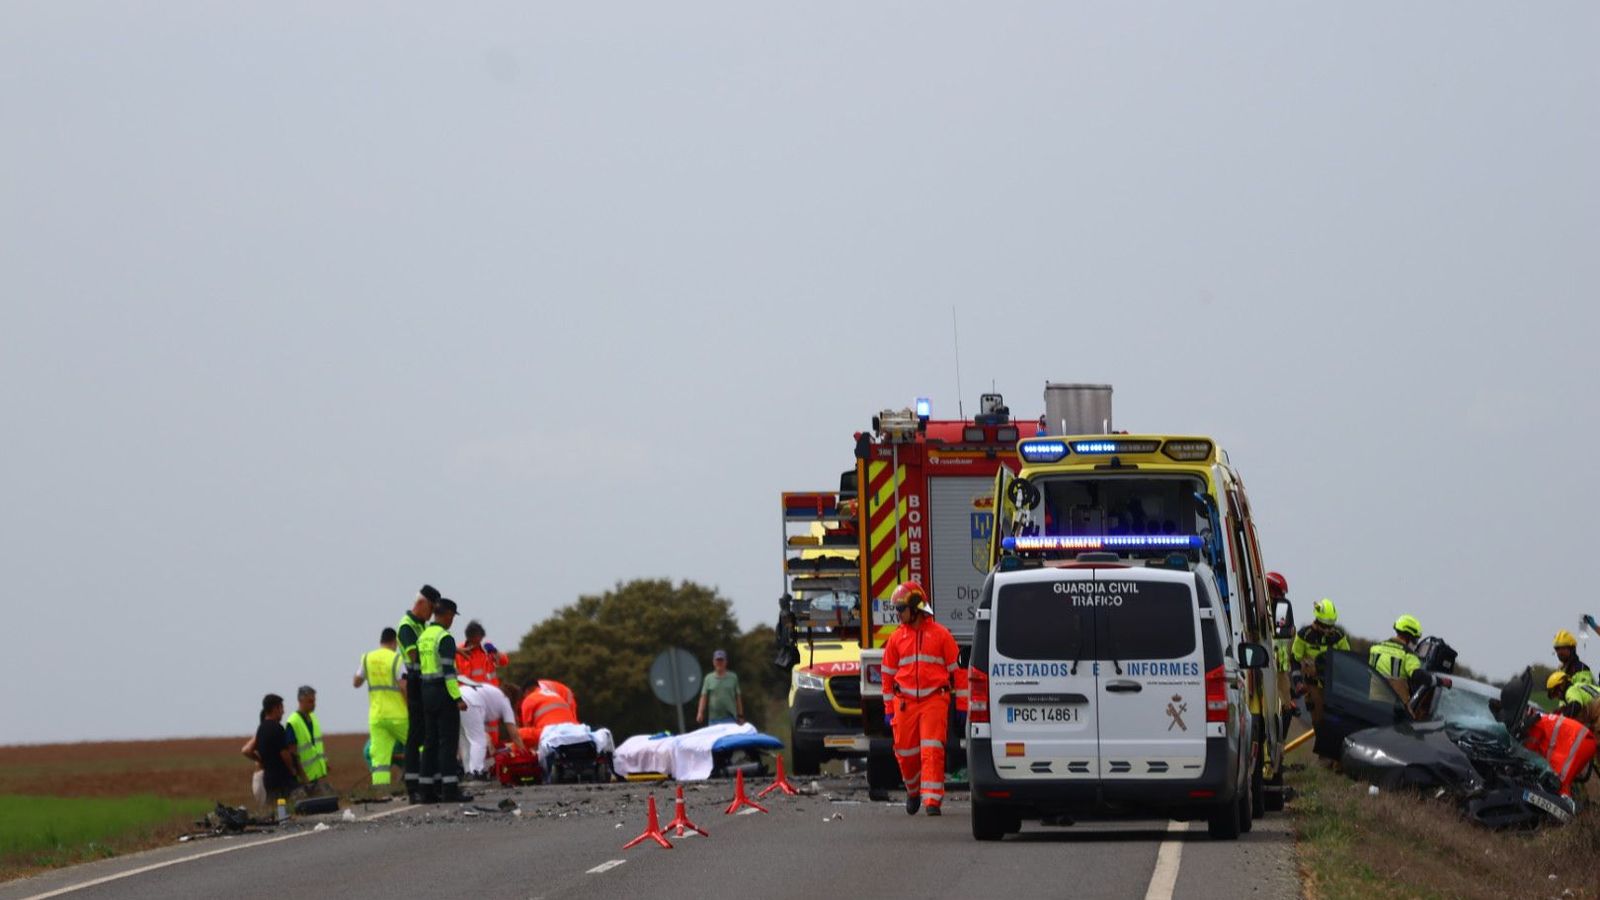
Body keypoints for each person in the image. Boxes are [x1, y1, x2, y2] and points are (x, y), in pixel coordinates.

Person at [881, 581, 959, 817]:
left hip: (934, 700)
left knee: (932, 750)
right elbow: (887, 674)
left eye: (901, 608)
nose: (898, 614)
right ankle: (913, 790)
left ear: (915, 608)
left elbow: (959, 672)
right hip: (904, 703)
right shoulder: (896, 639)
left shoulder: (941, 635)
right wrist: (888, 709)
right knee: (905, 753)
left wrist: (963, 706)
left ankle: (932, 800)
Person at [417, 597, 471, 803]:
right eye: (452, 617)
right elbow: (449, 672)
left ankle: (426, 791)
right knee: (448, 743)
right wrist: (457, 697)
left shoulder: (424, 636)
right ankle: (449, 790)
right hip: (442, 693)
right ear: (448, 615)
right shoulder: (445, 638)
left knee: (430, 742)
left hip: (426, 692)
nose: (452, 621)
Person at [397, 584, 440, 802]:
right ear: (421, 603)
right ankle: (412, 785)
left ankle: (427, 781)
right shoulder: (406, 626)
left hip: (425, 683)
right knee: (415, 735)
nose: (432, 614)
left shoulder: (422, 626)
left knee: (427, 732)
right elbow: (414, 655)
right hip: (415, 684)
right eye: (431, 608)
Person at [353, 627, 407, 788]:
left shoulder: (367, 658)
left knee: (379, 758)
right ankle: (425, 780)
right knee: (419, 744)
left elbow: (356, 683)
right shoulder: (396, 659)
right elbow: (404, 686)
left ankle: (381, 792)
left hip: (377, 717)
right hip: (398, 715)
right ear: (394, 642)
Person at [459, 676, 526, 779]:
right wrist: (524, 753)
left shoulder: (494, 692)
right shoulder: (505, 701)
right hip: (472, 702)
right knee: (479, 740)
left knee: (465, 741)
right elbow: (514, 735)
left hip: (458, 697)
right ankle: (476, 772)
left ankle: (468, 771)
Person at [244, 693, 298, 806]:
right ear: (275, 708)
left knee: (272, 807)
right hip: (282, 779)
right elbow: (284, 753)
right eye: (281, 707)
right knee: (286, 807)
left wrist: (261, 760)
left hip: (268, 778)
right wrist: (292, 768)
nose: (283, 711)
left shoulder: (261, 728)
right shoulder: (277, 728)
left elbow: (248, 751)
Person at [283, 686, 330, 796]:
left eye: (314, 701)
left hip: (316, 775)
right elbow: (293, 752)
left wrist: (324, 764)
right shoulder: (293, 722)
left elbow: (316, 745)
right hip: (304, 778)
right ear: (300, 700)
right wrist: (303, 777)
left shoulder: (313, 718)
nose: (313, 704)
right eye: (310, 701)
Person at [518, 674, 579, 747]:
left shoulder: (529, 699)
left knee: (520, 733)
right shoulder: (556, 695)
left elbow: (527, 726)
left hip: (551, 733)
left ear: (527, 691)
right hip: (574, 730)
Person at [696, 649, 744, 726]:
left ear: (726, 662)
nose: (719, 663)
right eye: (717, 660)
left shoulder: (733, 677)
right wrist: (700, 712)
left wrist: (740, 715)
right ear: (714, 662)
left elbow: (738, 697)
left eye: (721, 660)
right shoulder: (708, 678)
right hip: (714, 719)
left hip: (730, 718)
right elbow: (703, 697)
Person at [457, 621, 509, 688]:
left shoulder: (487, 649)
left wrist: (495, 652)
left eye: (480, 637)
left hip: (489, 690)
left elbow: (504, 661)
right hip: (467, 692)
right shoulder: (459, 650)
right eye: (475, 638)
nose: (479, 640)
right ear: (469, 637)